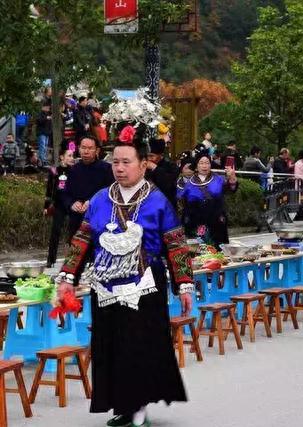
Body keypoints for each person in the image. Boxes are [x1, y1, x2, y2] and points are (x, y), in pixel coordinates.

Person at [55, 134, 194, 427]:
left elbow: (176, 245)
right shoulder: (99, 199)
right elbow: (82, 240)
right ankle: (122, 406)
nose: (119, 167)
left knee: (139, 345)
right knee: (110, 345)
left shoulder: (158, 201)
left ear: (143, 165)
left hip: (144, 286)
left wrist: (184, 284)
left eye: (126, 162)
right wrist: (68, 277)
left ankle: (139, 409)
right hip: (105, 285)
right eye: (115, 161)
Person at [179, 148, 238, 248]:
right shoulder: (188, 183)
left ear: (210, 165)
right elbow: (180, 200)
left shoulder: (219, 179)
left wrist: (232, 177)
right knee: (197, 254)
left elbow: (232, 189)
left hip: (216, 223)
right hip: (194, 223)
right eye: (201, 163)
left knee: (217, 253)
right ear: (196, 166)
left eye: (207, 163)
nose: (204, 166)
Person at [62, 136, 114, 239]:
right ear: (78, 148)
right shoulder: (71, 170)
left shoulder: (107, 169)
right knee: (76, 252)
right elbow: (63, 192)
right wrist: (71, 203)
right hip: (76, 218)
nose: (86, 151)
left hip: (98, 218)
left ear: (97, 150)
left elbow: (111, 192)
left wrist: (92, 202)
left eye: (90, 148)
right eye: (83, 147)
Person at [44, 141, 76, 267]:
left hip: (72, 204)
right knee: (55, 231)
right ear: (62, 157)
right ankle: (51, 259)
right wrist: (46, 206)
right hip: (58, 205)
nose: (71, 158)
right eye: (69, 155)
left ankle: (72, 259)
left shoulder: (74, 171)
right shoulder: (54, 170)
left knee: (72, 232)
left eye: (72, 156)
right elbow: (49, 189)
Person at [36, 101, 53, 167]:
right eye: (47, 107)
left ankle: (44, 160)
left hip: (47, 132)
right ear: (43, 107)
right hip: (41, 132)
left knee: (45, 147)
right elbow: (39, 121)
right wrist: (46, 118)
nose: (48, 108)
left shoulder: (48, 113)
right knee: (42, 146)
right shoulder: (40, 113)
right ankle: (42, 160)